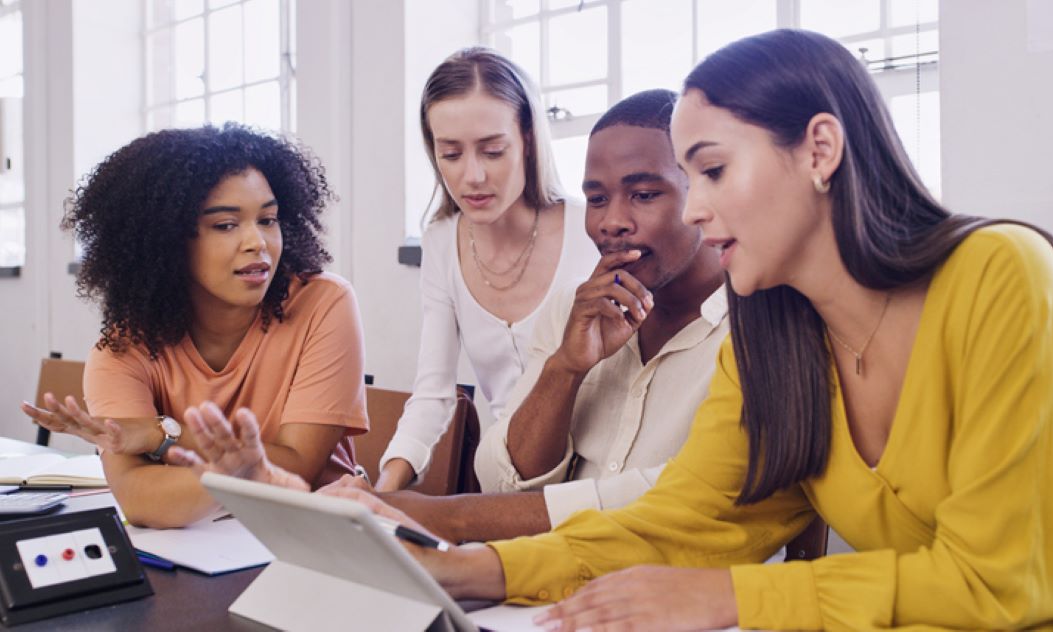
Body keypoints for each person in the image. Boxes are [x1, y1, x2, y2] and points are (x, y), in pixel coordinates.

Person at [325, 30, 1053, 630]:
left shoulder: (1003, 275)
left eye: (709, 170)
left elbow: (1012, 589)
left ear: (820, 150)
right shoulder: (773, 326)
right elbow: (689, 519)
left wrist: (726, 599)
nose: (693, 209)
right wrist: (475, 572)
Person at [327, 89, 727, 543]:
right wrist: (565, 368)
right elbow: (499, 478)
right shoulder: (572, 312)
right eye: (596, 199)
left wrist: (441, 516)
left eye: (644, 194)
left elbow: (675, 501)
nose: (612, 221)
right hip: (538, 570)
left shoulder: (755, 332)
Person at [21, 124, 367, 529]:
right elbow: (140, 500)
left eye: (268, 219)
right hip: (203, 557)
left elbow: (297, 468)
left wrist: (158, 436)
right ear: (165, 241)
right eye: (225, 225)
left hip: (319, 540)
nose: (258, 242)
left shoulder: (323, 304)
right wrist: (242, 477)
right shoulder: (122, 351)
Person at [375, 47, 597, 492]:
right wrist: (381, 493)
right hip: (503, 486)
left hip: (591, 488)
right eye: (451, 154)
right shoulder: (441, 240)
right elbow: (433, 396)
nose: (472, 176)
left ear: (529, 140)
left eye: (492, 151)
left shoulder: (591, 228)